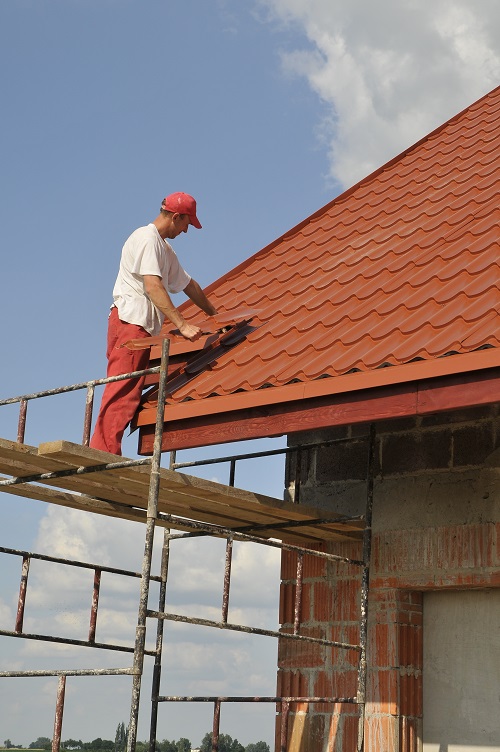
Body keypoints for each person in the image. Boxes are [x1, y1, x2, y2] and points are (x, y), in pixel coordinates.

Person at [90, 192, 217, 455]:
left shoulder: (164, 249)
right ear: (175, 216)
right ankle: (103, 454)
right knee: (123, 389)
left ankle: (106, 450)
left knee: (130, 389)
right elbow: (152, 286)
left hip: (140, 327)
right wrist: (181, 324)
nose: (186, 230)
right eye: (186, 224)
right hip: (130, 324)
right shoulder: (146, 239)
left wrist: (214, 314)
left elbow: (188, 285)